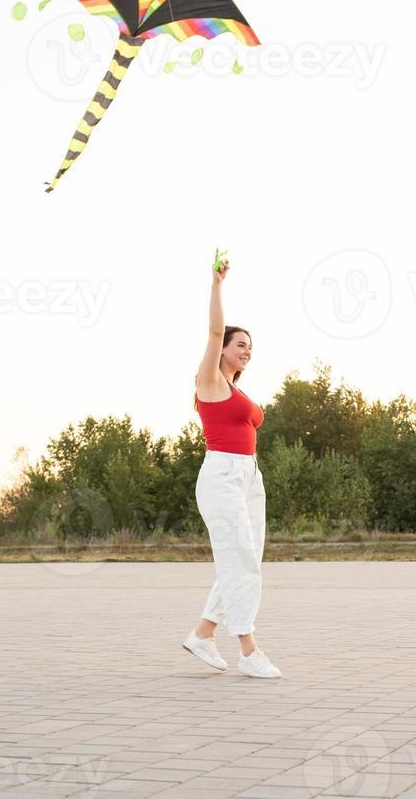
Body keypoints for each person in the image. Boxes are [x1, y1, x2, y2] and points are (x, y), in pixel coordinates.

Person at [182, 250, 282, 679]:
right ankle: (248, 648)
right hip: (221, 475)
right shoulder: (209, 380)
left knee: (245, 561)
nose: (247, 351)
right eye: (240, 344)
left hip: (248, 476)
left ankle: (203, 634)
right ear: (221, 350)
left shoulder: (235, 390)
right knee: (239, 559)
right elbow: (215, 328)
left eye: (251, 347)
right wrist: (218, 283)